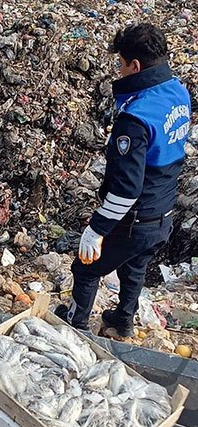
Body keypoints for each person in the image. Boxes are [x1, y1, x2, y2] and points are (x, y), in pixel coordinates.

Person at [55, 23, 190, 338]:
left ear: (135, 66)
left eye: (121, 64)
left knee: (86, 269)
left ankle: (74, 328)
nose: (119, 69)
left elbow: (127, 189)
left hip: (137, 218)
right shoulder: (178, 92)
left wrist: (97, 229)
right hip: (163, 214)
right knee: (135, 266)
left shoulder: (135, 118)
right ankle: (121, 321)